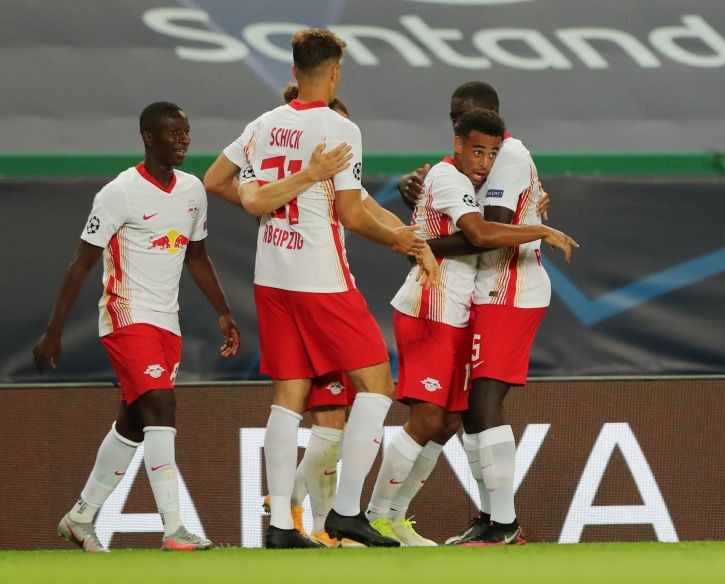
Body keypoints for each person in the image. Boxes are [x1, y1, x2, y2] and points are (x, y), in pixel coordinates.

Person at [204, 28, 439, 549]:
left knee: (288, 398)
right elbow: (352, 215)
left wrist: (255, 193)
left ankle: (283, 527)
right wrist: (401, 241)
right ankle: (347, 513)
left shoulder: (263, 125)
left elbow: (214, 182)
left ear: (293, 72)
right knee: (377, 385)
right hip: (321, 278)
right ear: (334, 73)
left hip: (272, 276)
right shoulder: (339, 128)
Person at [32, 102, 241, 552]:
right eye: (173, 133)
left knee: (132, 421)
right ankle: (174, 528)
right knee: (161, 408)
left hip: (168, 322)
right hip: (127, 316)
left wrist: (223, 311)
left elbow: (197, 256)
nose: (183, 140)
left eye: (186, 131)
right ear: (149, 138)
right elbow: (80, 265)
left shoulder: (192, 191)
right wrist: (54, 330)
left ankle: (80, 517)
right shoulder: (118, 193)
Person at [366, 107, 577, 546]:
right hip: (436, 305)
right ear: (457, 140)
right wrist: (537, 229)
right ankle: (376, 518)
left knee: (458, 417)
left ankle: (405, 519)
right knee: (433, 419)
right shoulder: (451, 177)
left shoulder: (494, 167)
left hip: (481, 303)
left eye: (491, 151)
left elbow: (481, 229)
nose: (484, 160)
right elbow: (478, 230)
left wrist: (422, 240)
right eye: (477, 149)